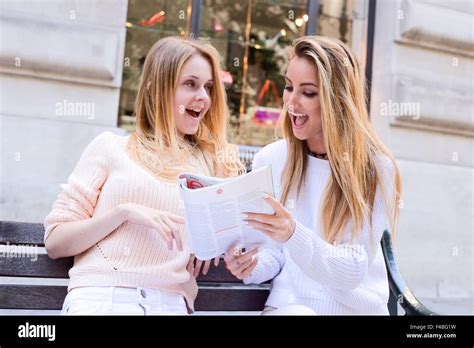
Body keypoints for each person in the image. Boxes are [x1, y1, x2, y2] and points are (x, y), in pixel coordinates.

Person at [44, 36, 243, 315]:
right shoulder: (110, 147)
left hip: (169, 302)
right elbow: (55, 242)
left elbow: (238, 237)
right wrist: (124, 213)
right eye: (190, 84)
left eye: (208, 87)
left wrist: (212, 242)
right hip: (102, 298)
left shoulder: (211, 164)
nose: (204, 97)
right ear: (155, 89)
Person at [224, 36, 402, 315]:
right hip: (290, 308)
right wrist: (250, 265)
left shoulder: (375, 169)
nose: (291, 103)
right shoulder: (270, 159)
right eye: (288, 88)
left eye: (307, 93)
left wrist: (292, 233)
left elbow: (352, 269)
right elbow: (272, 253)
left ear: (338, 101)